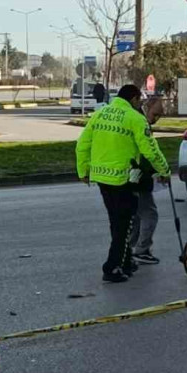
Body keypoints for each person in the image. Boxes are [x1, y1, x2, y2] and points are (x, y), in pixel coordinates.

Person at [76, 85, 171, 283]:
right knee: (123, 225)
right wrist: (165, 170)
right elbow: (150, 150)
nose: (140, 104)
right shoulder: (135, 119)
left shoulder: (100, 114)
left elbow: (83, 144)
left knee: (118, 222)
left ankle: (126, 262)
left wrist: (83, 170)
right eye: (140, 100)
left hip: (102, 178)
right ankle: (112, 267)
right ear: (135, 99)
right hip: (124, 179)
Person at [130, 97, 167, 265]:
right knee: (150, 213)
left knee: (137, 213)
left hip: (129, 174)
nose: (156, 118)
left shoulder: (134, 117)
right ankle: (142, 249)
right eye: (156, 114)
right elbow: (147, 153)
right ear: (147, 106)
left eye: (160, 116)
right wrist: (160, 170)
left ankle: (130, 248)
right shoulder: (141, 123)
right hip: (138, 175)